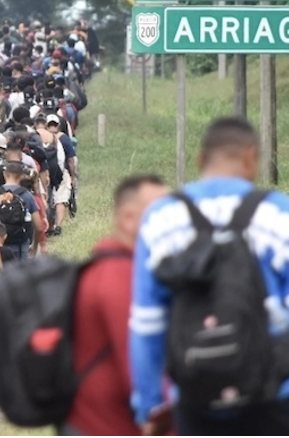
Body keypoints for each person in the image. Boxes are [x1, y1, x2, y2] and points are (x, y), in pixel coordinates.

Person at [130, 116, 289, 436]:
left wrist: (149, 405)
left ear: (200, 160)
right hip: (281, 397)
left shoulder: (160, 220)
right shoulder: (278, 213)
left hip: (197, 402)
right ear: (251, 158)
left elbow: (147, 324)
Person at [62, 175, 169, 436]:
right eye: (163, 215)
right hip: (107, 427)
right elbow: (138, 365)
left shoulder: (108, 267)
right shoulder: (121, 277)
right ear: (129, 218)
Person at [0, 162, 43, 261]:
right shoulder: (27, 195)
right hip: (21, 245)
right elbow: (39, 227)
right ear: (21, 177)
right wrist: (35, 245)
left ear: (4, 175)